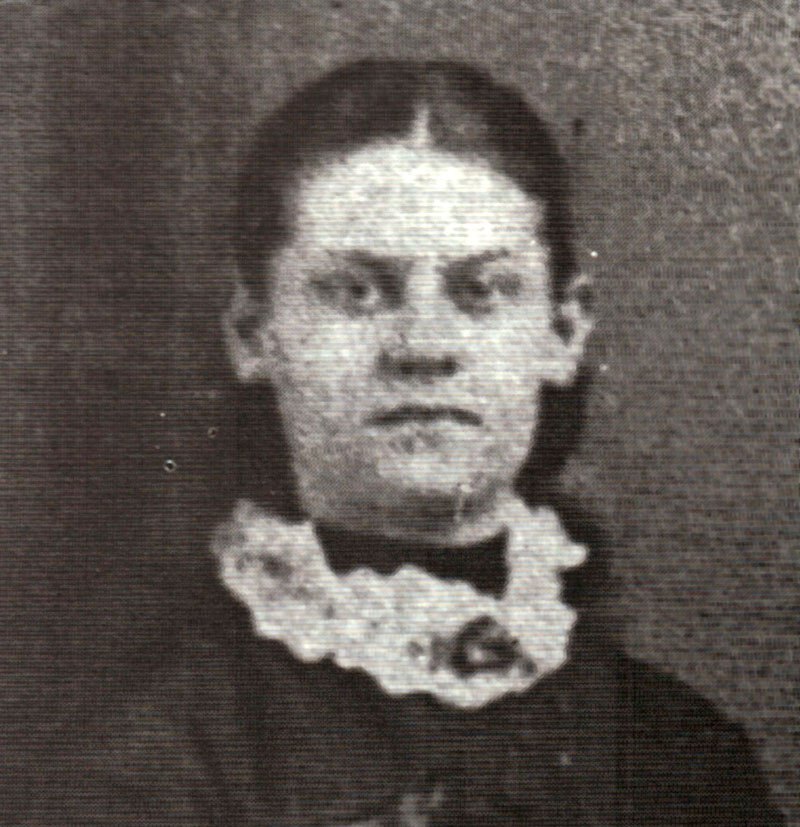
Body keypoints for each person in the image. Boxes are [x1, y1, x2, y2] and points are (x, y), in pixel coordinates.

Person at [24, 59, 783, 826]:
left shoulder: (683, 757)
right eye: (356, 291)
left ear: (563, 330)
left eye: (482, 291)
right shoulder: (137, 761)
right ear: (254, 333)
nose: (423, 346)